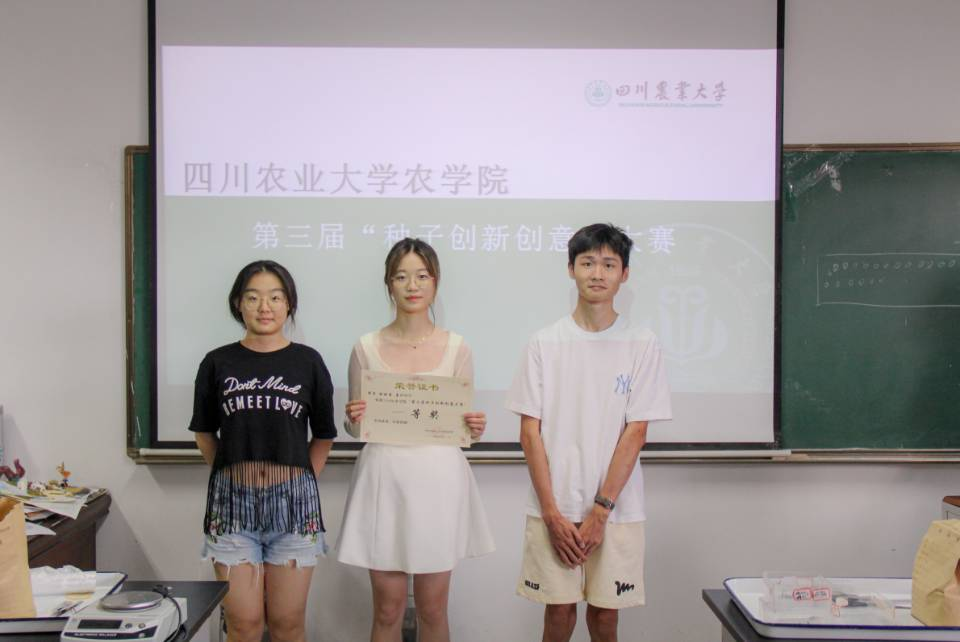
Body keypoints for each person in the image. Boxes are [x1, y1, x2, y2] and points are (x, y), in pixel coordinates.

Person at [505, 223, 672, 642]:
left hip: (617, 507)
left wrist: (600, 511)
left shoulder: (641, 343)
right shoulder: (544, 342)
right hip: (554, 506)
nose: (597, 273)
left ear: (624, 274)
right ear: (571, 269)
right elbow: (529, 434)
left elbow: (636, 432)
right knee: (558, 615)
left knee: (604, 618)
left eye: (609, 264)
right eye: (587, 263)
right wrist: (551, 513)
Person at [337, 238, 495, 642]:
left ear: (435, 282)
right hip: (383, 478)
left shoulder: (457, 347)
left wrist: (474, 428)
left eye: (422, 276)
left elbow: (462, 427)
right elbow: (357, 429)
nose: (412, 285)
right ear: (388, 284)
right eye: (401, 276)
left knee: (433, 609)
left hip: (438, 480)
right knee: (387, 609)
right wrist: (353, 419)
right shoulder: (365, 347)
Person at [190, 260, 336, 642]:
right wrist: (230, 474)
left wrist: (301, 483)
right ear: (238, 303)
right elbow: (204, 432)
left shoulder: (309, 362)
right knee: (244, 624)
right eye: (253, 297)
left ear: (289, 304)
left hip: (294, 507)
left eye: (275, 297)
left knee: (288, 624)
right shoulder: (217, 362)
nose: (264, 307)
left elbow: (323, 436)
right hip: (232, 507)